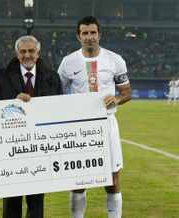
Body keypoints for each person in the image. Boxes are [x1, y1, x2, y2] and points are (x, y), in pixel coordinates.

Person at [57, 16, 131, 218]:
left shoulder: (115, 60)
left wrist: (116, 99)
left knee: (112, 179)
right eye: (85, 33)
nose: (89, 37)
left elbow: (126, 92)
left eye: (93, 32)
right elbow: (57, 93)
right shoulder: (68, 62)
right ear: (78, 36)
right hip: (78, 128)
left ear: (100, 34)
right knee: (78, 179)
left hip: (107, 124)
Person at [0, 35, 62, 218]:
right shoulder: (0, 76)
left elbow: (60, 110)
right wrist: (14, 103)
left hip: (41, 147)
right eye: (23, 51)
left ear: (38, 54)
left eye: (31, 51)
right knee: (12, 200)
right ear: (16, 54)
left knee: (37, 200)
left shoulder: (52, 77)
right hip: (11, 147)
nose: (27, 55)